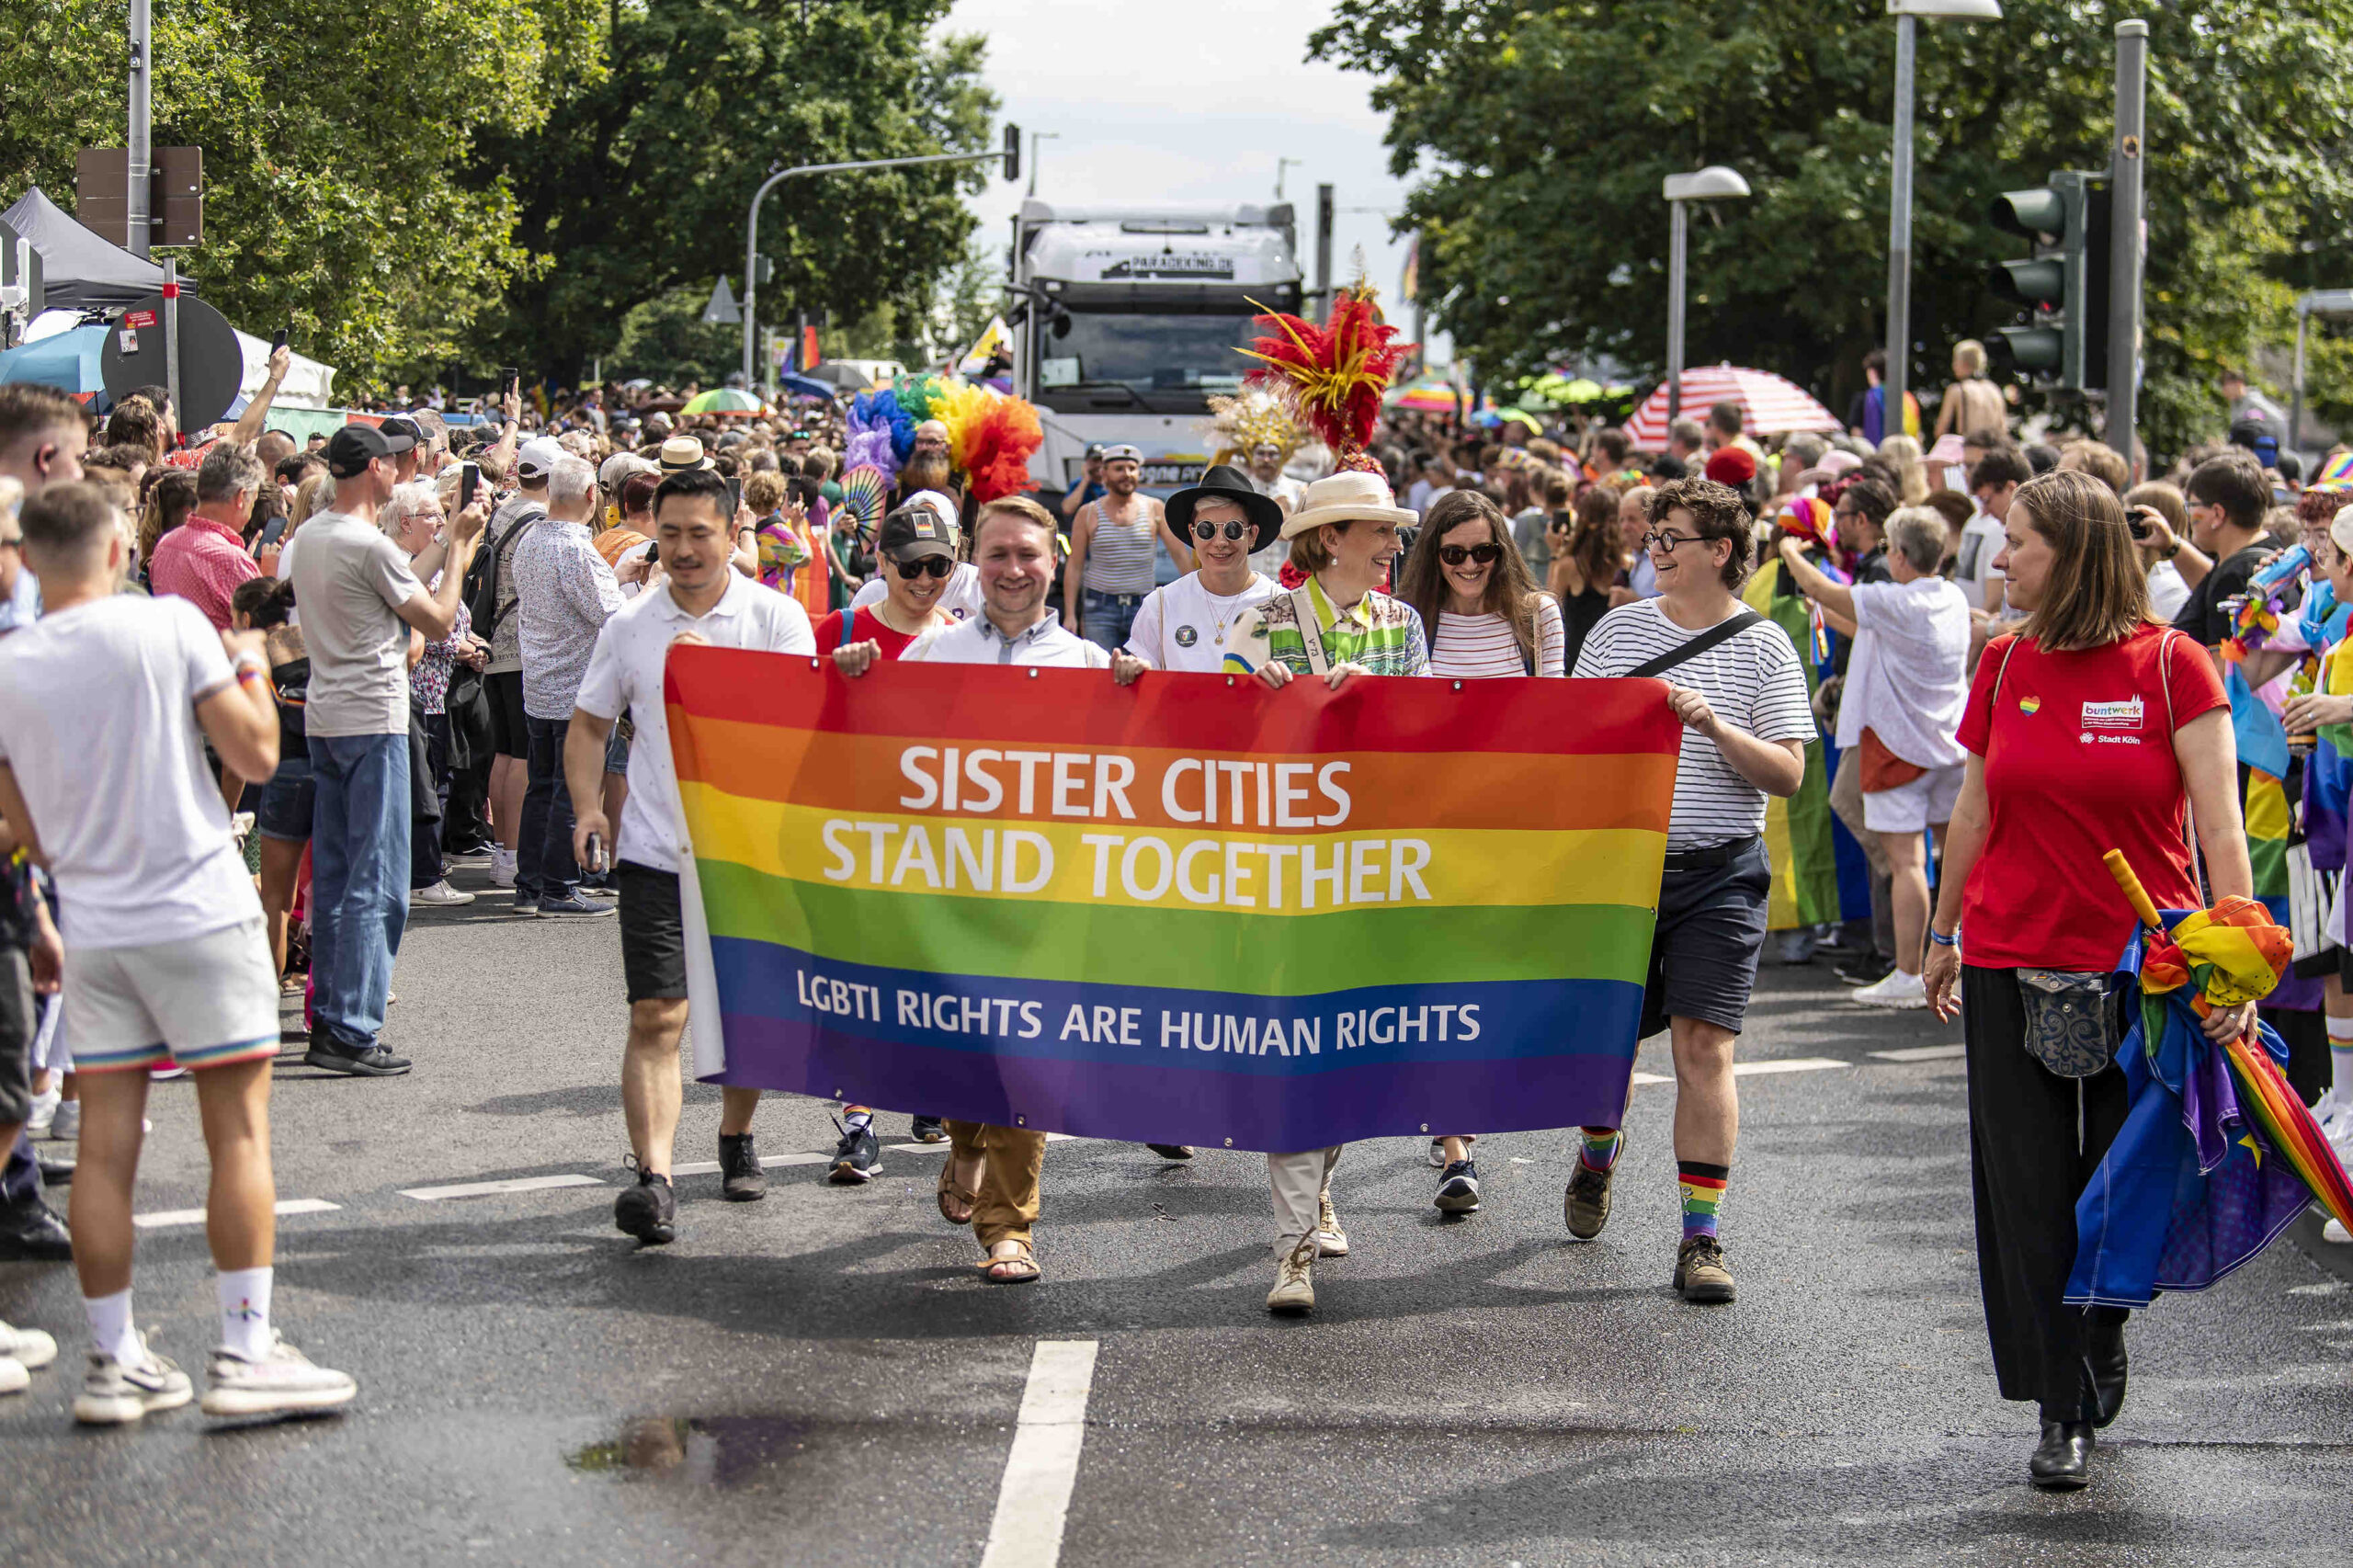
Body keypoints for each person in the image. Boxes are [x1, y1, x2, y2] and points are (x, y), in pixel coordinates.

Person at [0, 482, 358, 1425]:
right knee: (236, 1130)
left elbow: (20, 820)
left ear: (30, 556)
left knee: (107, 1144)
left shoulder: (11, 664)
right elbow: (258, 753)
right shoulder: (169, 630)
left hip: (96, 919)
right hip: (196, 904)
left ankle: (116, 1359)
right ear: (120, 544)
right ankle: (244, 1348)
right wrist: (247, 667)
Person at [1922, 468, 2247, 1491]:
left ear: (2072, 551)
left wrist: (2236, 955)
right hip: (2010, 952)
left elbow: (2220, 826)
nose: (2001, 557)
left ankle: (2100, 1320)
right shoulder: (2006, 657)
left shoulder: (2172, 665)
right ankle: (2060, 1405)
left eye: (2017, 541)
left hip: (2142, 968)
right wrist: (1940, 926)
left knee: (2118, 1181)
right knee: (2025, 1191)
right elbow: (1974, 808)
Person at [835, 496, 1120, 1284]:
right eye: (997, 554)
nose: (1014, 569)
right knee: (961, 1057)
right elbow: (872, 760)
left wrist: (1141, 692)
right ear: (975, 563)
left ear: (1054, 560)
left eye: (1028, 554)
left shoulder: (1093, 668)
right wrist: (855, 683)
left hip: (1043, 904)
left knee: (1027, 1059)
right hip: (948, 899)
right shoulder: (928, 659)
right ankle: (964, 1143)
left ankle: (1010, 1228)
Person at [1567, 478, 1815, 1305]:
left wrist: (1712, 725)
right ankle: (1598, 1153)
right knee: (1609, 1051)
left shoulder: (1765, 646)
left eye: (1671, 538)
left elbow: (1787, 774)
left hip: (1721, 873)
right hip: (1621, 873)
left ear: (1721, 552)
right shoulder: (1618, 630)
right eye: (1652, 538)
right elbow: (1567, 750)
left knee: (1704, 1047)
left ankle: (1700, 1239)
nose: (1655, 551)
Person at [568, 467, 813, 1244]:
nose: (681, 550)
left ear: (733, 527)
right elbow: (586, 724)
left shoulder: (775, 618)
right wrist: (584, 809)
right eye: (668, 534)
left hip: (748, 855)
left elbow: (801, 730)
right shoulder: (631, 625)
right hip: (652, 850)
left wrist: (720, 678)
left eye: (698, 533)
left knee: (747, 1019)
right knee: (657, 1015)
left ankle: (736, 1136)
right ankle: (655, 1179)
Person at [1220, 471, 1429, 1312]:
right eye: (1378, 530)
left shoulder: (1403, 624)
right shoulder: (1264, 620)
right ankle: (1292, 1252)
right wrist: (1256, 701)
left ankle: (1319, 1196)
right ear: (1329, 538)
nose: (1393, 546)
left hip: (1375, 866)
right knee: (1294, 1044)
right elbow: (1215, 740)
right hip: (1283, 866)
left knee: (1351, 1043)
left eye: (1392, 531)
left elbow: (1425, 736)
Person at [291, 423, 487, 1076]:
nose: (400, 471)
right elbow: (434, 620)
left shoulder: (313, 534)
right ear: (374, 469)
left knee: (343, 871)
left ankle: (331, 1016)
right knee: (376, 880)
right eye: (392, 465)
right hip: (371, 718)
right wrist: (459, 552)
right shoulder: (362, 542)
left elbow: (392, 584)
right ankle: (350, 1026)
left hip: (328, 716)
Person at [1392, 489, 1563, 1210]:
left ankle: (1461, 1114)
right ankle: (1456, 1148)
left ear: (1503, 551)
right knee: (1441, 983)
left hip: (1512, 825)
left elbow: (1554, 720)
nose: (1468, 564)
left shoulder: (1537, 617)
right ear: (1433, 553)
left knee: (1491, 984)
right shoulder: (1408, 621)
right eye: (1453, 552)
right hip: (1429, 826)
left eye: (1483, 552)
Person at [1778, 506, 1969, 1006]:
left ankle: (1909, 972)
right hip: (1949, 745)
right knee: (1954, 861)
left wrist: (1787, 550)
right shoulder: (1949, 596)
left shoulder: (1896, 601)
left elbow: (1824, 590)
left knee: (1907, 866)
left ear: (1901, 556)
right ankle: (1960, 962)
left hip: (1896, 748)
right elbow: (1860, 621)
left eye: (1888, 548)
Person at [513, 455, 623, 918]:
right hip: (577, 688)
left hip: (539, 681)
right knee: (570, 789)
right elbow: (613, 616)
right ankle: (557, 887)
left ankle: (532, 883)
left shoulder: (531, 538)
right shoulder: (576, 549)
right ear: (591, 496)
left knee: (542, 787)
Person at [478, 439, 561, 892]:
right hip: (523, 642)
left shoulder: (502, 510)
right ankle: (512, 852)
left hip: (495, 640)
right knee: (524, 755)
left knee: (505, 751)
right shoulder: (536, 522)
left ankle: (502, 853)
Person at [1121, 464, 1281, 675]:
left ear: (1252, 535)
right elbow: (1141, 677)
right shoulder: (1161, 605)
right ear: (1193, 534)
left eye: (1233, 529)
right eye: (1207, 530)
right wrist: (1130, 669)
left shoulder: (1281, 605)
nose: (1220, 542)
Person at [1063, 444, 1189, 653]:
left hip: (1143, 607)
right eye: (1119, 468)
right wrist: (1070, 614)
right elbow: (1074, 566)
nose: (1127, 474)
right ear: (1104, 473)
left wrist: (1198, 597)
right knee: (1101, 675)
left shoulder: (1154, 508)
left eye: (1132, 468)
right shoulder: (1088, 513)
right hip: (1100, 609)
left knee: (1143, 674)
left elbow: (1179, 555)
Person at [148, 444, 265, 632]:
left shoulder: (165, 545)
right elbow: (261, 634)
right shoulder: (232, 562)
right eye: (255, 499)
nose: (252, 508)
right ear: (242, 497)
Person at [2172, 452, 2273, 662]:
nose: (2189, 516)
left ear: (2217, 514)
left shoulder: (2236, 576)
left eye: (2191, 506)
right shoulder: (2268, 550)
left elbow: (2220, 671)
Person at [1933, 340, 2008, 442]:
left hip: (1968, 450)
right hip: (1993, 452)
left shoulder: (1957, 390)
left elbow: (1940, 431)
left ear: (1963, 363)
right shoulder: (1995, 390)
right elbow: (2003, 429)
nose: (1953, 366)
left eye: (1955, 361)